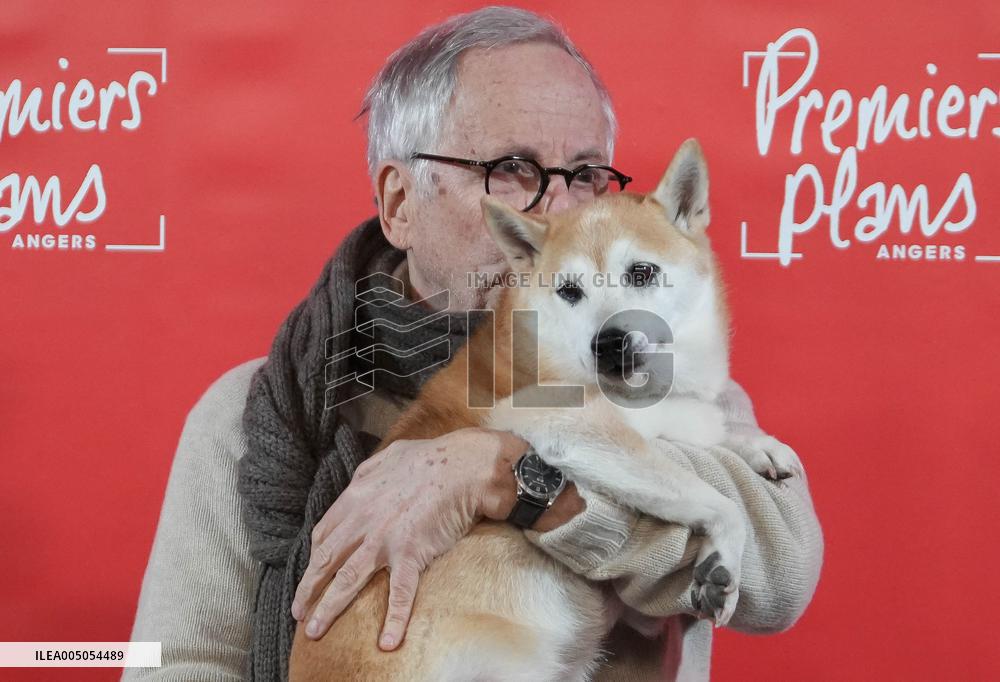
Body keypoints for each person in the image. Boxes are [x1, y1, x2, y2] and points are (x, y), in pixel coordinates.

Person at [125, 6, 824, 681]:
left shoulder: (652, 370)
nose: (559, 210)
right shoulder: (253, 412)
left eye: (585, 175)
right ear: (399, 203)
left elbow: (779, 575)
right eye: (511, 168)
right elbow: (182, 663)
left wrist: (507, 474)